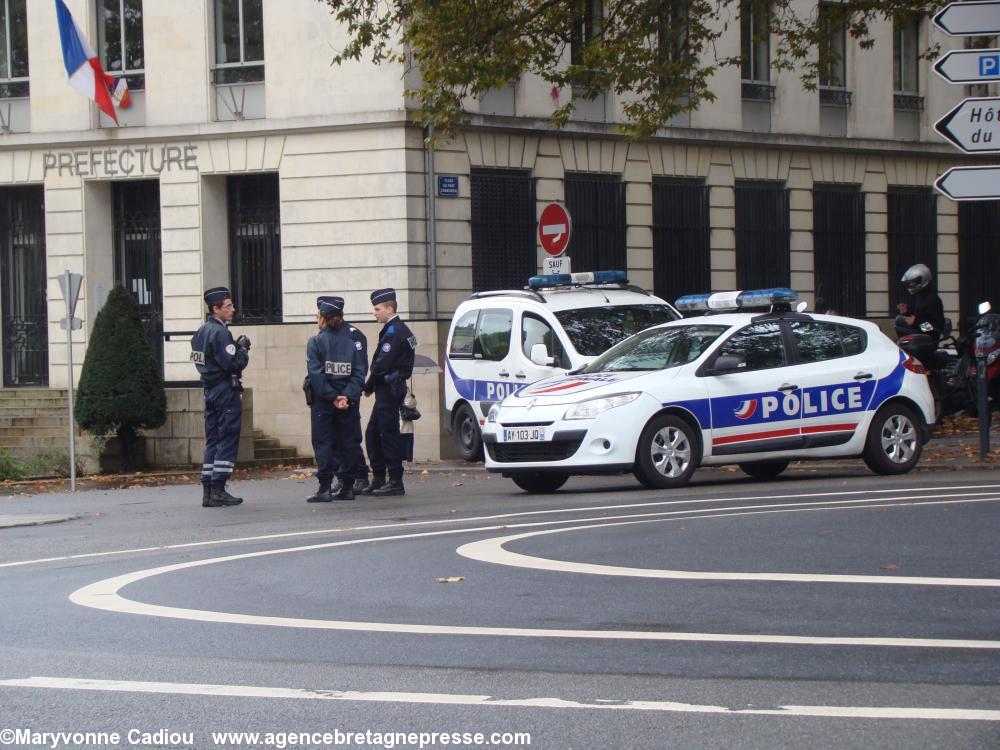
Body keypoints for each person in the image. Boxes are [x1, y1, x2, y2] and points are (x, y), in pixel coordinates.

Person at [190, 286, 249, 508]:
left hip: (210, 390)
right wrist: (241, 349)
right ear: (216, 309)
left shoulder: (201, 331)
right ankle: (219, 489)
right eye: (228, 306)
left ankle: (208, 490)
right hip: (225, 390)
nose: (232, 309)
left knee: (213, 439)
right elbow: (232, 363)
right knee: (227, 437)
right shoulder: (220, 333)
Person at [305, 296, 367, 503]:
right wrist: (346, 397)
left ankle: (325, 488)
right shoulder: (352, 343)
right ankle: (347, 487)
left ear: (323, 318)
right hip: (346, 402)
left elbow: (316, 375)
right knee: (347, 442)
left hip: (324, 402)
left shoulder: (315, 342)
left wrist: (332, 397)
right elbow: (359, 374)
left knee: (323, 443)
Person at [359, 288, 416, 497]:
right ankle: (379, 477)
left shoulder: (395, 332)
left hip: (390, 388)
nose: (374, 313)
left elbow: (382, 364)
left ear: (389, 308)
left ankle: (395, 480)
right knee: (373, 432)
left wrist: (368, 386)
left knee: (388, 434)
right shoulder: (398, 330)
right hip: (388, 388)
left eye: (377, 308)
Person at [329, 319, 373, 497]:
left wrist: (349, 394)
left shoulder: (353, 335)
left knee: (350, 439)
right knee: (334, 440)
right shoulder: (326, 335)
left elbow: (360, 368)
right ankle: (342, 476)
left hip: (348, 395)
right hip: (332, 396)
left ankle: (360, 476)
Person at [895, 263, 945, 339]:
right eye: (910, 282)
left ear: (922, 280)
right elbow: (915, 316)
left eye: (913, 281)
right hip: (918, 337)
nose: (911, 284)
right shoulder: (918, 297)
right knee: (899, 320)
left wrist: (915, 323)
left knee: (899, 322)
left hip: (928, 340)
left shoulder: (932, 299)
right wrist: (906, 312)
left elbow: (937, 327)